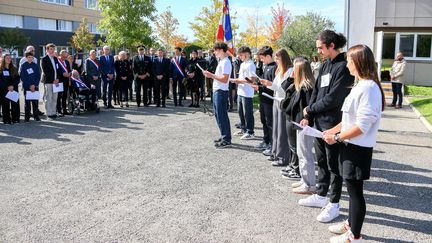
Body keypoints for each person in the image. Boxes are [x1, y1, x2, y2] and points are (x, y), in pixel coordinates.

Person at [324, 44, 384, 243]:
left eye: (349, 60)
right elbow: (350, 118)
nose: (347, 64)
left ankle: (354, 236)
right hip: (350, 145)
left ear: (358, 62)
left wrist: (338, 137)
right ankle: (351, 223)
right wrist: (333, 130)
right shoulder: (361, 85)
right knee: (351, 190)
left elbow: (362, 125)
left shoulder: (369, 88)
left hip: (358, 147)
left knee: (355, 192)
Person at [299, 30, 354, 223]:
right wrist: (309, 114)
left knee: (334, 166)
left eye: (320, 47)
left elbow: (333, 98)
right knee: (321, 162)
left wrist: (310, 108)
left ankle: (334, 204)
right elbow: (316, 91)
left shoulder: (344, 67)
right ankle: (321, 196)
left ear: (331, 45)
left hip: (333, 124)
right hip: (319, 123)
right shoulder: (324, 66)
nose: (319, 51)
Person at [284, 57, 316, 189]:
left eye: (294, 69)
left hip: (305, 125)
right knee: (301, 154)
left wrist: (308, 118)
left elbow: (310, 106)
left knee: (305, 155)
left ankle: (309, 184)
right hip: (299, 124)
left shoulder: (307, 87)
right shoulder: (300, 85)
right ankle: (305, 180)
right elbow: (287, 91)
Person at [259, 49, 293, 166]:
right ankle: (275, 153)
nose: (276, 61)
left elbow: (285, 90)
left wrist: (270, 84)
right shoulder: (280, 71)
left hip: (283, 102)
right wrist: (268, 84)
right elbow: (276, 87)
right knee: (276, 130)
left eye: (278, 59)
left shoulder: (289, 71)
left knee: (282, 131)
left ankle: (283, 157)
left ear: (283, 58)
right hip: (276, 101)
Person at [203, 42, 233, 148]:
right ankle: (224, 135)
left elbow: (224, 79)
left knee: (221, 115)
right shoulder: (222, 61)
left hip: (221, 91)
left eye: (215, 50)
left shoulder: (225, 62)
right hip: (218, 91)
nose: (214, 52)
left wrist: (211, 75)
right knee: (218, 115)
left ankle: (226, 138)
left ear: (221, 50)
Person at [231, 46, 256, 140]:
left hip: (247, 92)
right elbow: (241, 77)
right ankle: (243, 128)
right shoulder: (242, 64)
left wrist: (238, 81)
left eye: (241, 55)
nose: (239, 56)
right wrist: (236, 80)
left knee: (248, 113)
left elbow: (252, 80)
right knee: (240, 111)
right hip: (241, 91)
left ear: (246, 54)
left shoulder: (250, 64)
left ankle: (250, 132)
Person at [254, 46, 276, 151]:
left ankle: (272, 144)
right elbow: (264, 81)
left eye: (262, 58)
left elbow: (273, 86)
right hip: (263, 97)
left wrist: (260, 87)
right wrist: (257, 84)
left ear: (268, 56)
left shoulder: (274, 67)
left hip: (269, 99)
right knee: (263, 120)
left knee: (270, 122)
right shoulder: (266, 66)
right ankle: (266, 140)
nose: (261, 60)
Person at [41, 43, 61, 119]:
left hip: (56, 81)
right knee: (49, 97)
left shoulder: (55, 59)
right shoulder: (44, 59)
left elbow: (58, 70)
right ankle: (49, 113)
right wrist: (53, 80)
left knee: (55, 98)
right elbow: (45, 71)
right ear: (47, 50)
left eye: (53, 49)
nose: (52, 50)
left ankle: (53, 112)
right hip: (49, 82)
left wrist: (57, 79)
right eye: (51, 49)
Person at [20, 51, 41, 122]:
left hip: (35, 87)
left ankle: (36, 116)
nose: (30, 58)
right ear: (26, 58)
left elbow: (38, 76)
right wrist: (29, 86)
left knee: (35, 103)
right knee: (27, 103)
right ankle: (27, 118)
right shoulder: (23, 66)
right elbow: (23, 77)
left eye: (32, 57)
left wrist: (34, 85)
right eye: (29, 57)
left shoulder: (35, 65)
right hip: (27, 87)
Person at [0, 54, 20, 124]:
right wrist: (7, 87)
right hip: (4, 90)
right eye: (7, 58)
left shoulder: (14, 68)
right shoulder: (1, 69)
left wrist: (12, 86)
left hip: (13, 89)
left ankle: (15, 119)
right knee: (5, 105)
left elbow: (17, 78)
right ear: (3, 59)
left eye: (10, 58)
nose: (9, 59)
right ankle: (6, 120)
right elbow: (0, 80)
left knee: (15, 104)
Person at [56, 50, 71, 116]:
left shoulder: (67, 62)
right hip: (59, 81)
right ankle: (59, 110)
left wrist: (69, 74)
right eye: (65, 54)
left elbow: (70, 70)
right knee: (59, 96)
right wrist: (62, 74)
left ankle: (64, 110)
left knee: (65, 96)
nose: (66, 56)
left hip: (66, 81)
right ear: (61, 54)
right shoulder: (57, 61)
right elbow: (56, 71)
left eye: (66, 55)